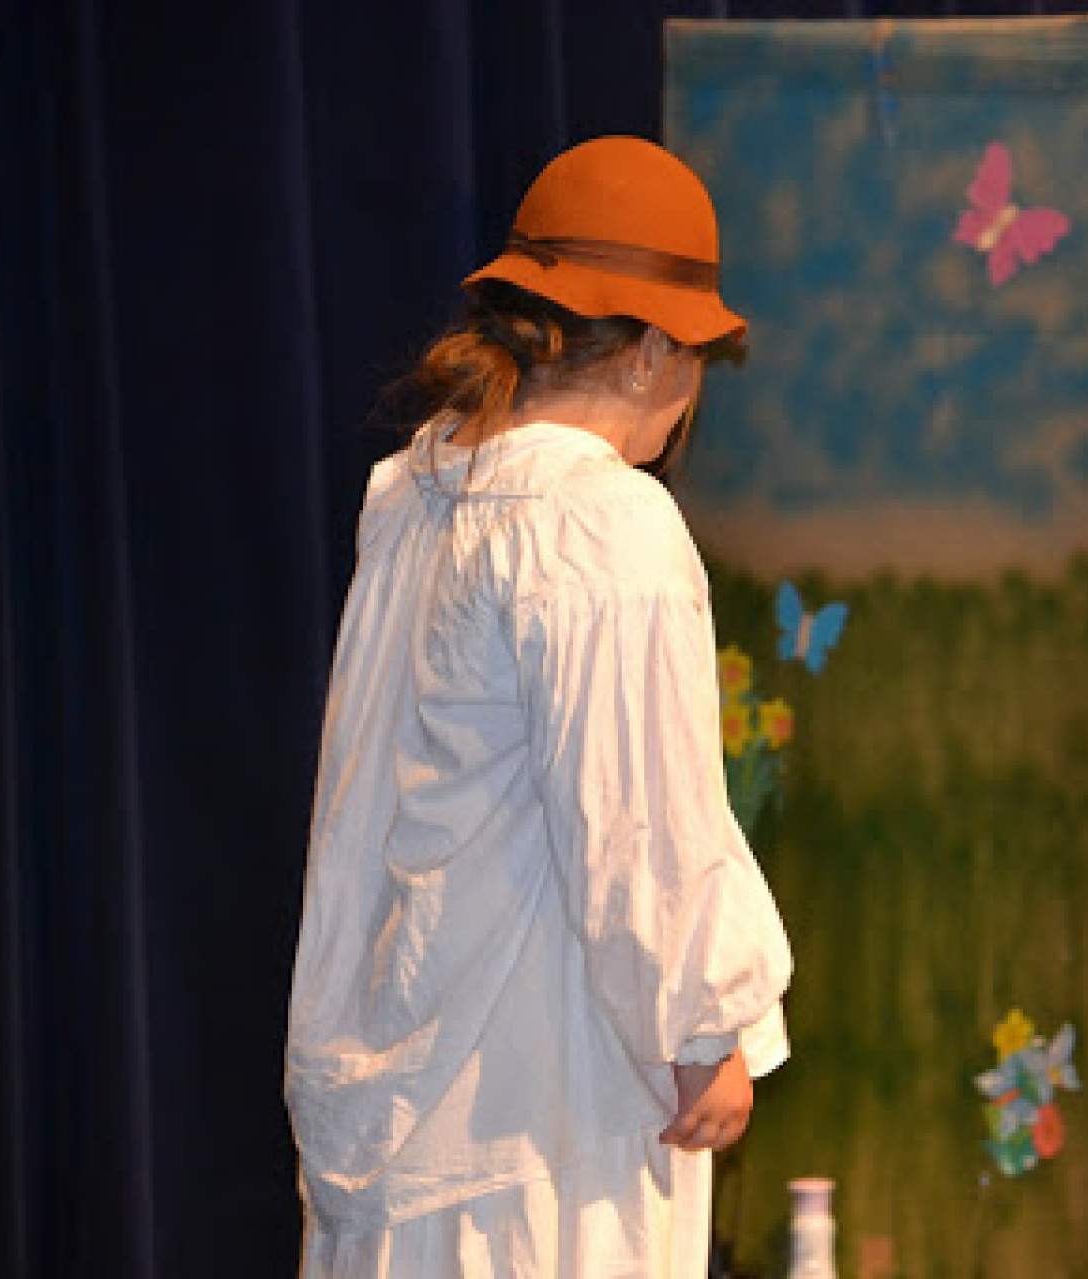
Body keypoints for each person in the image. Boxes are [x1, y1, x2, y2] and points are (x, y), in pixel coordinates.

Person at [285, 136, 793, 1278]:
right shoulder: (603, 522)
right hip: (532, 1121)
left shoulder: (418, 491)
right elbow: (634, 819)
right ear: (653, 351)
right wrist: (700, 1026)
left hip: (405, 1098)